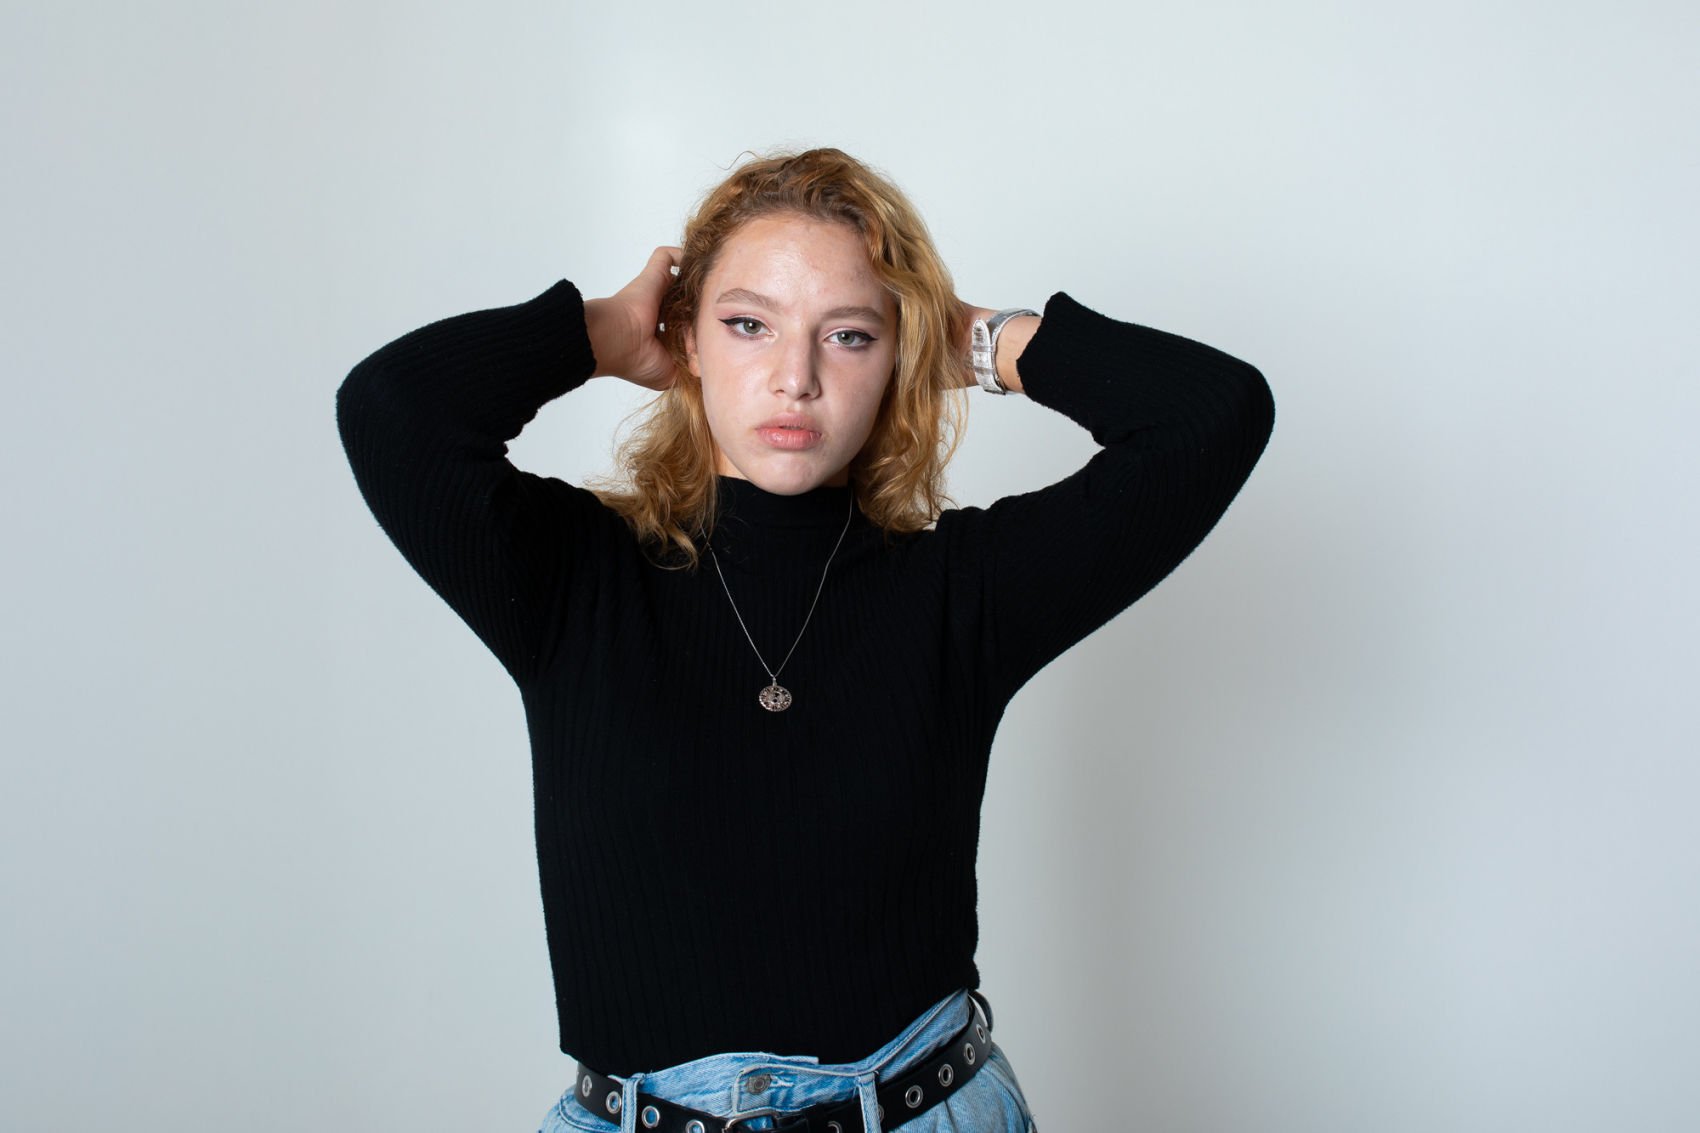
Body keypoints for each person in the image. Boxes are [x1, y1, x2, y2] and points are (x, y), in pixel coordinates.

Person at [336, 148, 1274, 1133]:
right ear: (685, 335)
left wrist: (971, 336)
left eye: (849, 335)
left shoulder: (964, 589)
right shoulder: (573, 578)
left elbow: (1212, 413)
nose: (795, 377)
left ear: (897, 357)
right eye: (748, 324)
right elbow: (391, 409)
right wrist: (605, 331)